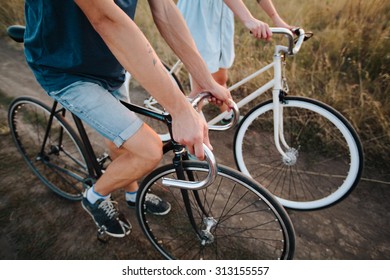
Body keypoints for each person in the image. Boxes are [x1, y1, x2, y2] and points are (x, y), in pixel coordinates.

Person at [23, 0, 232, 238]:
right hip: (64, 69)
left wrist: (204, 78)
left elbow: (164, 8)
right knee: (148, 149)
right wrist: (180, 109)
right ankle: (94, 197)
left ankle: (133, 194)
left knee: (121, 141)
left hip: (110, 60)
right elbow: (106, 18)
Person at [177, 0, 292, 121]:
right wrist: (249, 19)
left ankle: (228, 116)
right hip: (199, 15)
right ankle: (183, 130)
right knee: (201, 89)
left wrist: (276, 18)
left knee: (220, 79)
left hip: (223, 13)